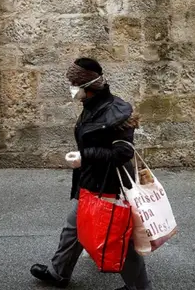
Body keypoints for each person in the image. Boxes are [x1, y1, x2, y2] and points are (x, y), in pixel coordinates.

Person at [30, 58, 151, 290]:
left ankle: (140, 287)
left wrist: (85, 156)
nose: (72, 88)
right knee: (73, 228)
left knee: (119, 239)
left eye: (75, 84)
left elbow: (123, 151)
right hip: (91, 181)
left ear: (89, 86)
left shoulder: (115, 111)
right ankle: (59, 273)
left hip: (111, 185)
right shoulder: (91, 107)